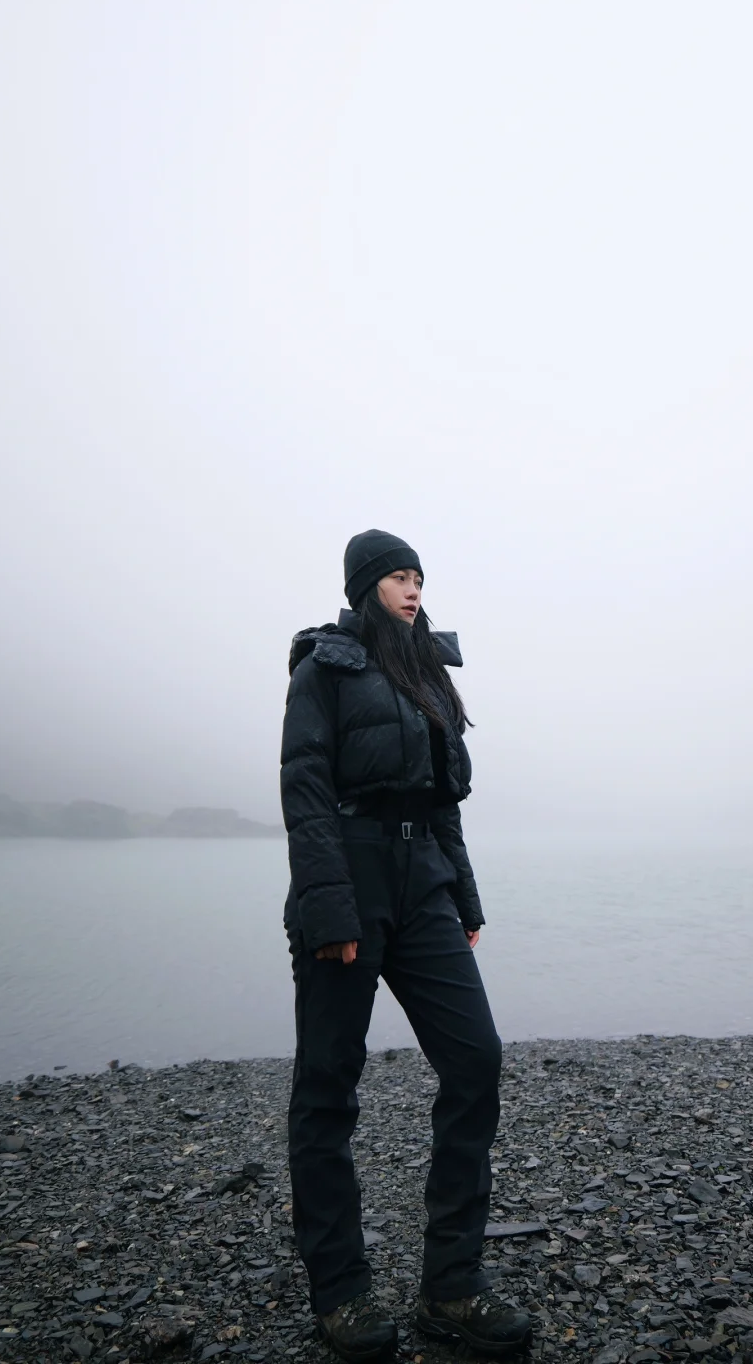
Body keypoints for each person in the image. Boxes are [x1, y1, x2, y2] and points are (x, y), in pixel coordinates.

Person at [279, 530, 533, 1361]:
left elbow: (444, 798)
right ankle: (342, 1294)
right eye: (398, 575)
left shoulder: (427, 673)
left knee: (475, 1059)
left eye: (420, 575)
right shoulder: (324, 669)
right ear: (365, 586)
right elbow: (306, 786)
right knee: (328, 1086)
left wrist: (461, 895)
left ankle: (452, 1285)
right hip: (347, 876)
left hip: (422, 877)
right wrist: (328, 910)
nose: (413, 587)